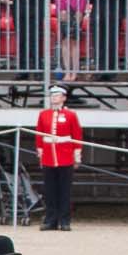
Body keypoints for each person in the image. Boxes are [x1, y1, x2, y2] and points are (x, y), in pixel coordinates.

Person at [33, 85, 81, 231]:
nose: (54, 97)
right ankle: (50, 219)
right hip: (48, 156)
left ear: (64, 98)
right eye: (52, 95)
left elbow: (77, 135)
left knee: (64, 191)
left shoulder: (70, 115)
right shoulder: (44, 114)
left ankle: (65, 220)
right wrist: (40, 153)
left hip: (65, 156)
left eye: (57, 95)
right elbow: (39, 134)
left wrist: (76, 156)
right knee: (50, 191)